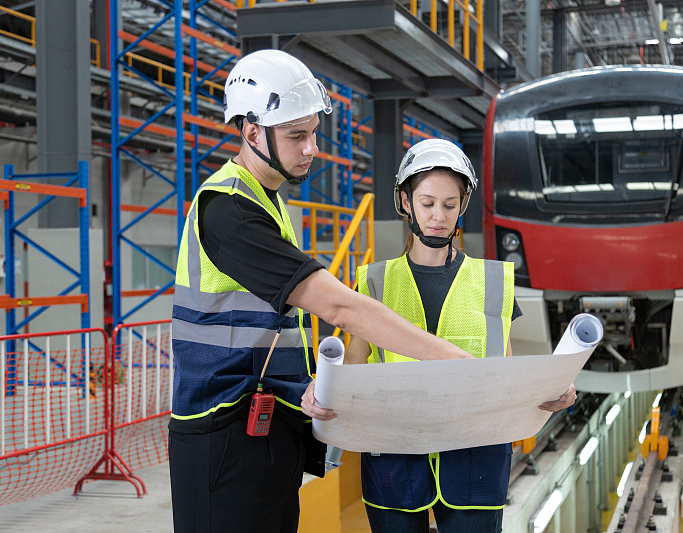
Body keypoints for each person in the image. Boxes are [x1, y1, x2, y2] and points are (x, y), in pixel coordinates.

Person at [168, 49, 476, 533]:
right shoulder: (229, 213)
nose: (313, 147)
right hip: (223, 436)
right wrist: (453, 361)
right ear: (251, 132)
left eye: (313, 133)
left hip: (266, 428)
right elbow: (337, 305)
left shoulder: (267, 204)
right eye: (297, 136)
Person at [345, 138, 577, 533]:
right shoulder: (374, 282)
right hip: (395, 461)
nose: (439, 216)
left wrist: (548, 391)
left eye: (450, 205)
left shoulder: (493, 282)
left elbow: (503, 376)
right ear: (405, 202)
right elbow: (351, 375)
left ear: (462, 206)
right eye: (428, 203)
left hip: (474, 463)